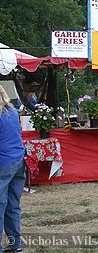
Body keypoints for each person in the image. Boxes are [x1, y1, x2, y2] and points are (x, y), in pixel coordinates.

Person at [0, 85, 26, 253]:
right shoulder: (12, 111)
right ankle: (15, 243)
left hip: (3, 163)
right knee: (12, 205)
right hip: (17, 160)